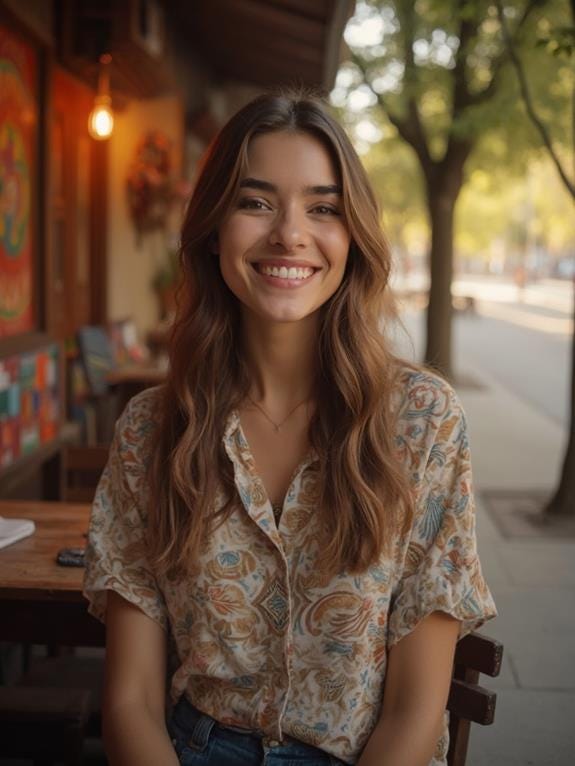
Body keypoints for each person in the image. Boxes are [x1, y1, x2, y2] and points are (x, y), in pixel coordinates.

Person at [84, 90, 496, 766]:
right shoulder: (151, 431)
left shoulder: (422, 422)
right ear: (213, 227)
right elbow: (129, 702)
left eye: (322, 208)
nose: (289, 233)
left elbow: (414, 714)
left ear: (352, 234)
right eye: (255, 202)